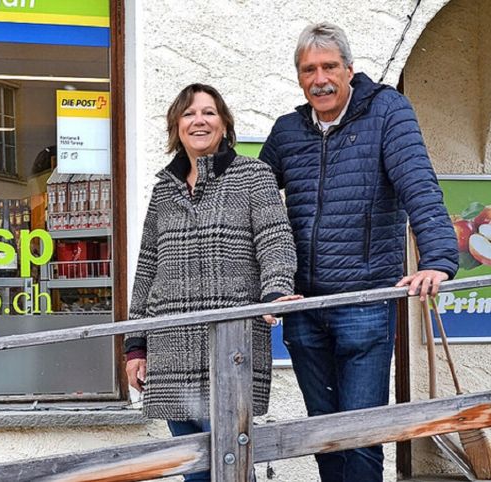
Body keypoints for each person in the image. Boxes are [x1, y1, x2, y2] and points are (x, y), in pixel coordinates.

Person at [259, 22, 459, 482]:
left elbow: (419, 185)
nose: (320, 78)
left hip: (365, 303)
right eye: (309, 69)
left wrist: (438, 260)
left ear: (350, 69)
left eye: (329, 66)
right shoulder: (288, 131)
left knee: (363, 435)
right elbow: (253, 200)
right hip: (305, 306)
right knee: (323, 435)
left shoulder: (387, 111)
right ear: (299, 78)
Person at [124, 83, 298, 482]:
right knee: (193, 470)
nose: (198, 120)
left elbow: (275, 238)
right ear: (176, 126)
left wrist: (274, 289)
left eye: (208, 112)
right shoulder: (163, 189)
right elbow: (148, 267)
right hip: (170, 352)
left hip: (230, 347)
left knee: (232, 464)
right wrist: (136, 346)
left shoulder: (253, 175)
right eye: (188, 114)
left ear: (224, 124)